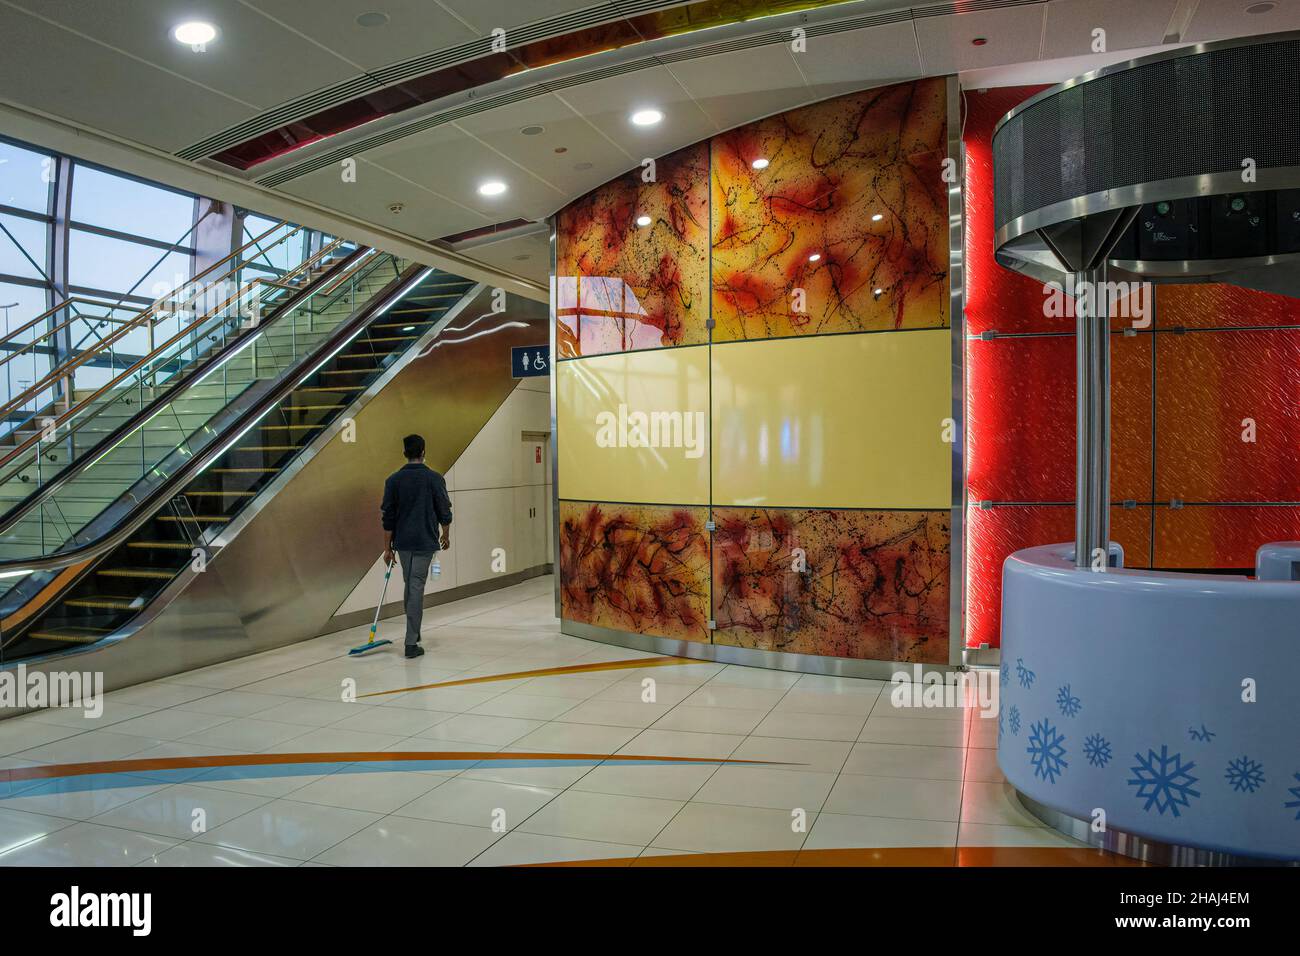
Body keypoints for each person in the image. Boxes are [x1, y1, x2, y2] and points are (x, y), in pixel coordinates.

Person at [380, 434, 452, 658]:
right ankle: (411, 643)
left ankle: (414, 631)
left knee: (410, 584)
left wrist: (387, 548)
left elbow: (387, 517)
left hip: (403, 543)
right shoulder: (434, 478)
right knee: (415, 586)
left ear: (405, 454)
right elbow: (444, 510)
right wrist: (445, 534)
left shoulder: (393, 481)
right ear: (423, 452)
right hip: (424, 541)